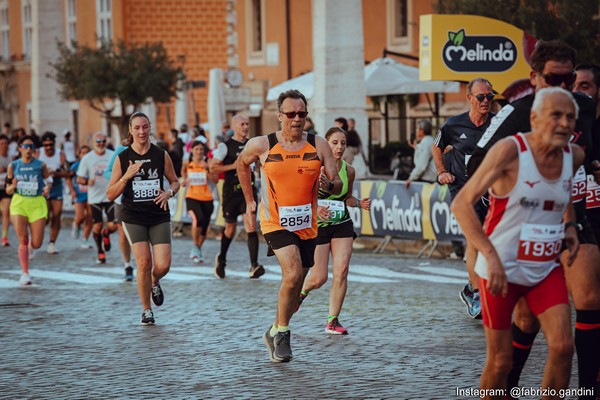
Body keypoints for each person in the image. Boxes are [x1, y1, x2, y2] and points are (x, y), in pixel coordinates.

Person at [467, 41, 600, 396]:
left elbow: (577, 169)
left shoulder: (583, 111)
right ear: (535, 77)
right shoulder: (514, 119)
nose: (562, 86)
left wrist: (570, 221)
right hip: (510, 236)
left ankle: (588, 389)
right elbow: (472, 174)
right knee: (511, 342)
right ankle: (504, 385)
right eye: (553, 78)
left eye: (568, 78)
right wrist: (487, 246)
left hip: (562, 229)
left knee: (571, 329)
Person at [452, 87, 583, 400]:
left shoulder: (574, 155)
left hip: (544, 268)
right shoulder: (510, 151)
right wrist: (491, 257)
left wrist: (570, 225)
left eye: (570, 117)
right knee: (500, 362)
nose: (564, 124)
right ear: (535, 119)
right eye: (556, 116)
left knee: (564, 347)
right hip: (501, 269)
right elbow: (461, 204)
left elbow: (562, 190)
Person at [236, 89, 342, 362]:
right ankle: (283, 333)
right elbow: (241, 165)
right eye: (291, 114)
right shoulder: (263, 145)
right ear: (280, 116)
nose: (297, 119)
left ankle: (272, 330)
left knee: (297, 281)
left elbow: (337, 181)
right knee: (294, 272)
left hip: (307, 224)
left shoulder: (319, 145)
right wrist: (249, 200)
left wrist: (329, 184)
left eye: (302, 114)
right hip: (274, 222)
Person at [296, 126, 371, 335]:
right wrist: (316, 208)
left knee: (342, 271)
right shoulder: (314, 167)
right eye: (334, 143)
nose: (339, 147)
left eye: (343, 143)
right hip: (319, 226)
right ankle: (301, 293)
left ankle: (333, 321)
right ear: (325, 145)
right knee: (319, 278)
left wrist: (359, 204)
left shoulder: (349, 170)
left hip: (342, 224)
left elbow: (346, 197)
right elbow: (301, 196)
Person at [107, 112, 180, 325]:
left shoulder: (160, 155)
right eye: (137, 128)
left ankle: (155, 280)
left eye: (145, 127)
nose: (141, 132)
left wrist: (169, 193)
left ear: (150, 128)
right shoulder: (123, 157)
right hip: (133, 216)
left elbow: (175, 181)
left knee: (163, 265)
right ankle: (146, 309)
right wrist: (127, 176)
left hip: (158, 214)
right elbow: (111, 194)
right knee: (144, 262)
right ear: (131, 130)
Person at [432, 77, 496, 319]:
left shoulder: (499, 124)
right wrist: (442, 172)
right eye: (481, 97)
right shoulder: (454, 124)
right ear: (470, 98)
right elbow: (437, 146)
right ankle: (478, 294)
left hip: (491, 191)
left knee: (492, 241)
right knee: (474, 239)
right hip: (463, 190)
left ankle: (471, 288)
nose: (486, 101)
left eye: (490, 97)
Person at [210, 114, 264, 279]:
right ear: (234, 127)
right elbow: (213, 167)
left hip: (248, 191)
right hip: (231, 192)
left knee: (251, 225)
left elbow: (259, 164)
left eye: (247, 124)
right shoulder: (225, 147)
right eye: (242, 124)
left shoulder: (253, 145)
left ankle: (254, 265)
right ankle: (222, 259)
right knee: (230, 229)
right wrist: (233, 166)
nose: (246, 127)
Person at [5, 135, 51, 285]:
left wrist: (47, 189)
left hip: (37, 203)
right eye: (25, 146)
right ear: (19, 149)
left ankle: (32, 247)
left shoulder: (41, 165)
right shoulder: (13, 165)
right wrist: (14, 184)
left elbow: (48, 180)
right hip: (19, 203)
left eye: (31, 147)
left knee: (37, 243)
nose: (29, 150)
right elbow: (8, 189)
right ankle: (25, 273)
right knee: (22, 239)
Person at [77, 132, 117, 264]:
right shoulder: (87, 158)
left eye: (103, 141)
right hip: (94, 197)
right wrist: (87, 181)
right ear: (93, 143)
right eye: (98, 142)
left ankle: (107, 233)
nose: (100, 144)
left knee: (113, 225)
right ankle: (100, 251)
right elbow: (79, 178)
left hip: (110, 195)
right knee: (97, 226)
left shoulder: (112, 155)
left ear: (106, 142)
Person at [103, 139, 134, 281]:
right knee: (123, 234)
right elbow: (107, 172)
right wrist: (123, 178)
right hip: (122, 197)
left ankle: (146, 264)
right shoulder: (122, 149)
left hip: (142, 198)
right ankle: (128, 264)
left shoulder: (151, 150)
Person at [181, 140, 217, 263]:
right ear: (192, 150)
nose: (199, 152)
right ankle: (196, 247)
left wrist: (207, 169)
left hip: (207, 198)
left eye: (201, 149)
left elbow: (215, 180)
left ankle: (197, 249)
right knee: (197, 219)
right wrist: (184, 180)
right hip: (192, 197)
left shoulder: (208, 163)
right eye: (196, 149)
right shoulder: (187, 163)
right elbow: (183, 173)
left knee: (205, 227)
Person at [38, 131, 69, 255]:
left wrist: (56, 173)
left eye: (51, 144)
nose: (49, 147)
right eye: (46, 145)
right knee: (44, 217)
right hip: (42, 188)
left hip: (56, 187)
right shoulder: (37, 153)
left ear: (54, 144)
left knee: (56, 215)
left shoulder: (60, 155)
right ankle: (35, 238)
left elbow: (68, 173)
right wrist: (44, 173)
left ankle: (52, 243)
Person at [66, 145, 93, 248]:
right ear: (80, 155)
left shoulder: (93, 164)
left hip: (91, 194)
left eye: (87, 153)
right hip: (79, 194)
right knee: (81, 216)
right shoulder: (76, 166)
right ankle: (76, 224)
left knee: (90, 217)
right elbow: (68, 178)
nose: (85, 155)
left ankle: (85, 239)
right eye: (83, 153)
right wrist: (72, 191)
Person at [405, 120, 437, 187]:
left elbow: (421, 166)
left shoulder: (425, 143)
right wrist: (416, 147)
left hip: (427, 180)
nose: (416, 130)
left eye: (417, 128)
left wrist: (411, 178)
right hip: (432, 179)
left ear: (422, 131)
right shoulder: (431, 140)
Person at [0, 133, 12, 246]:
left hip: (5, 188)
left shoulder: (11, 158)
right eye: (1, 143)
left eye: (5, 143)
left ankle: (4, 237)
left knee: (6, 212)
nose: (4, 145)